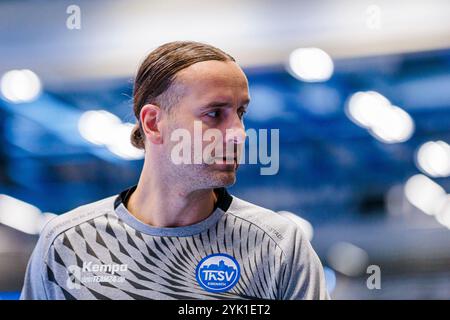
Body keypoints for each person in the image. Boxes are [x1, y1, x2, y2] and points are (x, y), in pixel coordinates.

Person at [20, 41, 329, 300]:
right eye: (214, 114)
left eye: (240, 112)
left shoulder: (277, 247)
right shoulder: (66, 243)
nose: (239, 133)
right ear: (154, 123)